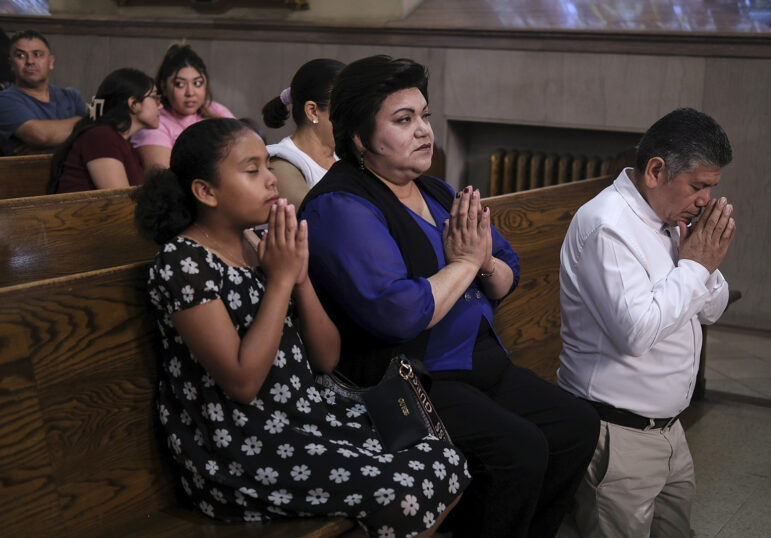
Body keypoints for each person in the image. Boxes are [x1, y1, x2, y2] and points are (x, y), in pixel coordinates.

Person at [299, 55, 599, 538]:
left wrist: (481, 263)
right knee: (519, 450)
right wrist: (464, 264)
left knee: (576, 426)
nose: (423, 131)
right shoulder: (341, 205)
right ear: (357, 138)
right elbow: (397, 313)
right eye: (403, 120)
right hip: (410, 384)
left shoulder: (435, 190)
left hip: (479, 366)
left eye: (424, 116)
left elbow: (507, 269)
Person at [133, 117, 467, 536]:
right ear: (206, 191)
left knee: (441, 458)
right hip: (240, 446)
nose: (271, 180)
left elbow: (326, 359)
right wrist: (279, 282)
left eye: (267, 167)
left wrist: (301, 278)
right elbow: (242, 383)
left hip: (304, 416)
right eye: (252, 170)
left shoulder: (259, 243)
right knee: (407, 487)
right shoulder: (183, 263)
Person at [557, 107, 736, 537]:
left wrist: (702, 265)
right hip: (618, 435)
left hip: (671, 431)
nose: (704, 201)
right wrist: (695, 268)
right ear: (655, 170)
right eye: (698, 186)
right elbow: (636, 333)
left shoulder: (672, 219)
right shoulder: (608, 227)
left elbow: (712, 308)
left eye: (711, 189)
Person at [49, 68, 160, 193]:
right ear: (133, 103)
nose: (160, 106)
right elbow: (120, 200)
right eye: (155, 98)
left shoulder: (125, 142)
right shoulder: (101, 137)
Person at [131, 42, 234, 171]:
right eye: (180, 84)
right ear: (163, 86)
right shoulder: (154, 123)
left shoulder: (215, 110)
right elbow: (164, 180)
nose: (190, 93)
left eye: (197, 83)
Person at [263, 58, 344, 207]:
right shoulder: (281, 160)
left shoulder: (344, 157)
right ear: (312, 111)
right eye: (345, 109)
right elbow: (319, 214)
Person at [0, 29, 86, 155]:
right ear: (11, 64)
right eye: (21, 55)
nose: (30, 61)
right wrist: (83, 122)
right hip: (27, 174)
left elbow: (93, 136)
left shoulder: (72, 96)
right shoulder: (4, 100)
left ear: (51, 62)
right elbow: (40, 136)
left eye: (37, 54)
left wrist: (49, 149)